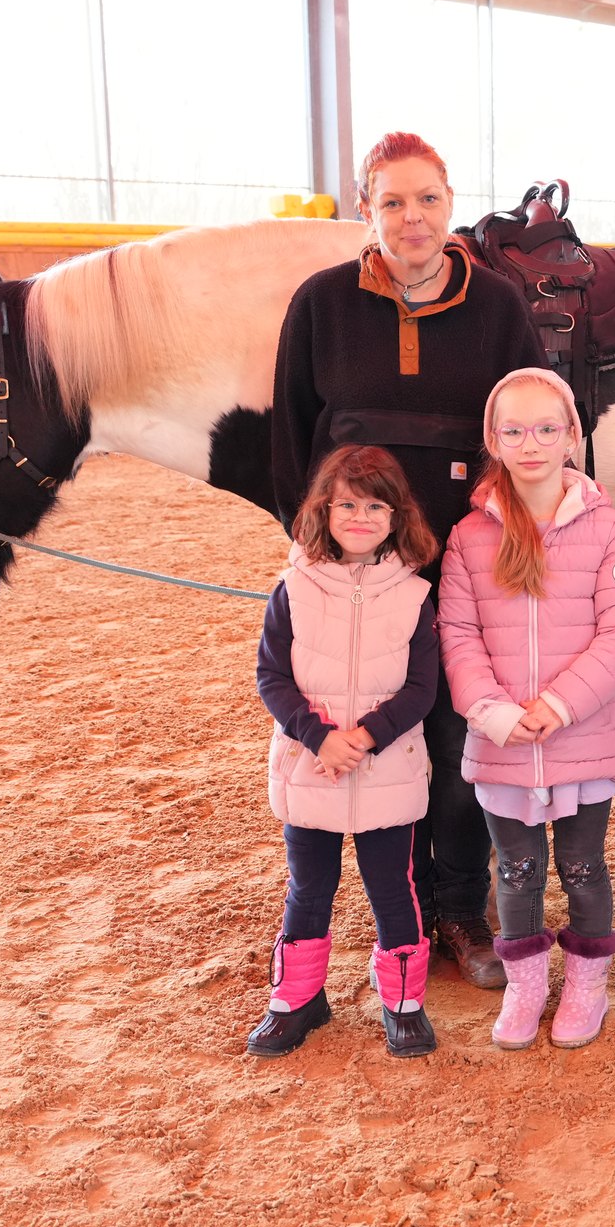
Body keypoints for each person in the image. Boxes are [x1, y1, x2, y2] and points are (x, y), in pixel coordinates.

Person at [272, 132, 545, 991]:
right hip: (359, 580)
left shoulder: (498, 306)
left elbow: (530, 431)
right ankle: (401, 912)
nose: (412, 217)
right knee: (368, 736)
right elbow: (290, 445)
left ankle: (459, 906)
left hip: (465, 574)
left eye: (427, 198)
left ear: (450, 202)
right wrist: (322, 562)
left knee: (457, 742)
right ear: (367, 209)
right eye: (392, 201)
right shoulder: (320, 305)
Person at [438, 369, 615, 1050]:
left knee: (583, 866)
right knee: (517, 870)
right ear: (493, 440)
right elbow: (458, 634)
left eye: (546, 429)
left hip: (579, 737)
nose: (530, 444)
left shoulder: (610, 530)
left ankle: (587, 984)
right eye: (514, 431)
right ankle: (525, 985)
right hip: (501, 742)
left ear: (571, 437)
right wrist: (494, 713)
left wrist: (559, 704)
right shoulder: (468, 536)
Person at [246, 445, 442, 1059]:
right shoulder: (293, 589)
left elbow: (422, 687)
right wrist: (320, 737)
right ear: (323, 512)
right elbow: (271, 676)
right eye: (348, 505)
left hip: (387, 768)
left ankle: (403, 1003)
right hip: (313, 767)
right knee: (309, 886)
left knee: (393, 887)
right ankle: (297, 999)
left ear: (397, 515)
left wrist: (368, 735)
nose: (361, 518)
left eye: (376, 506)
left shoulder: (415, 594)